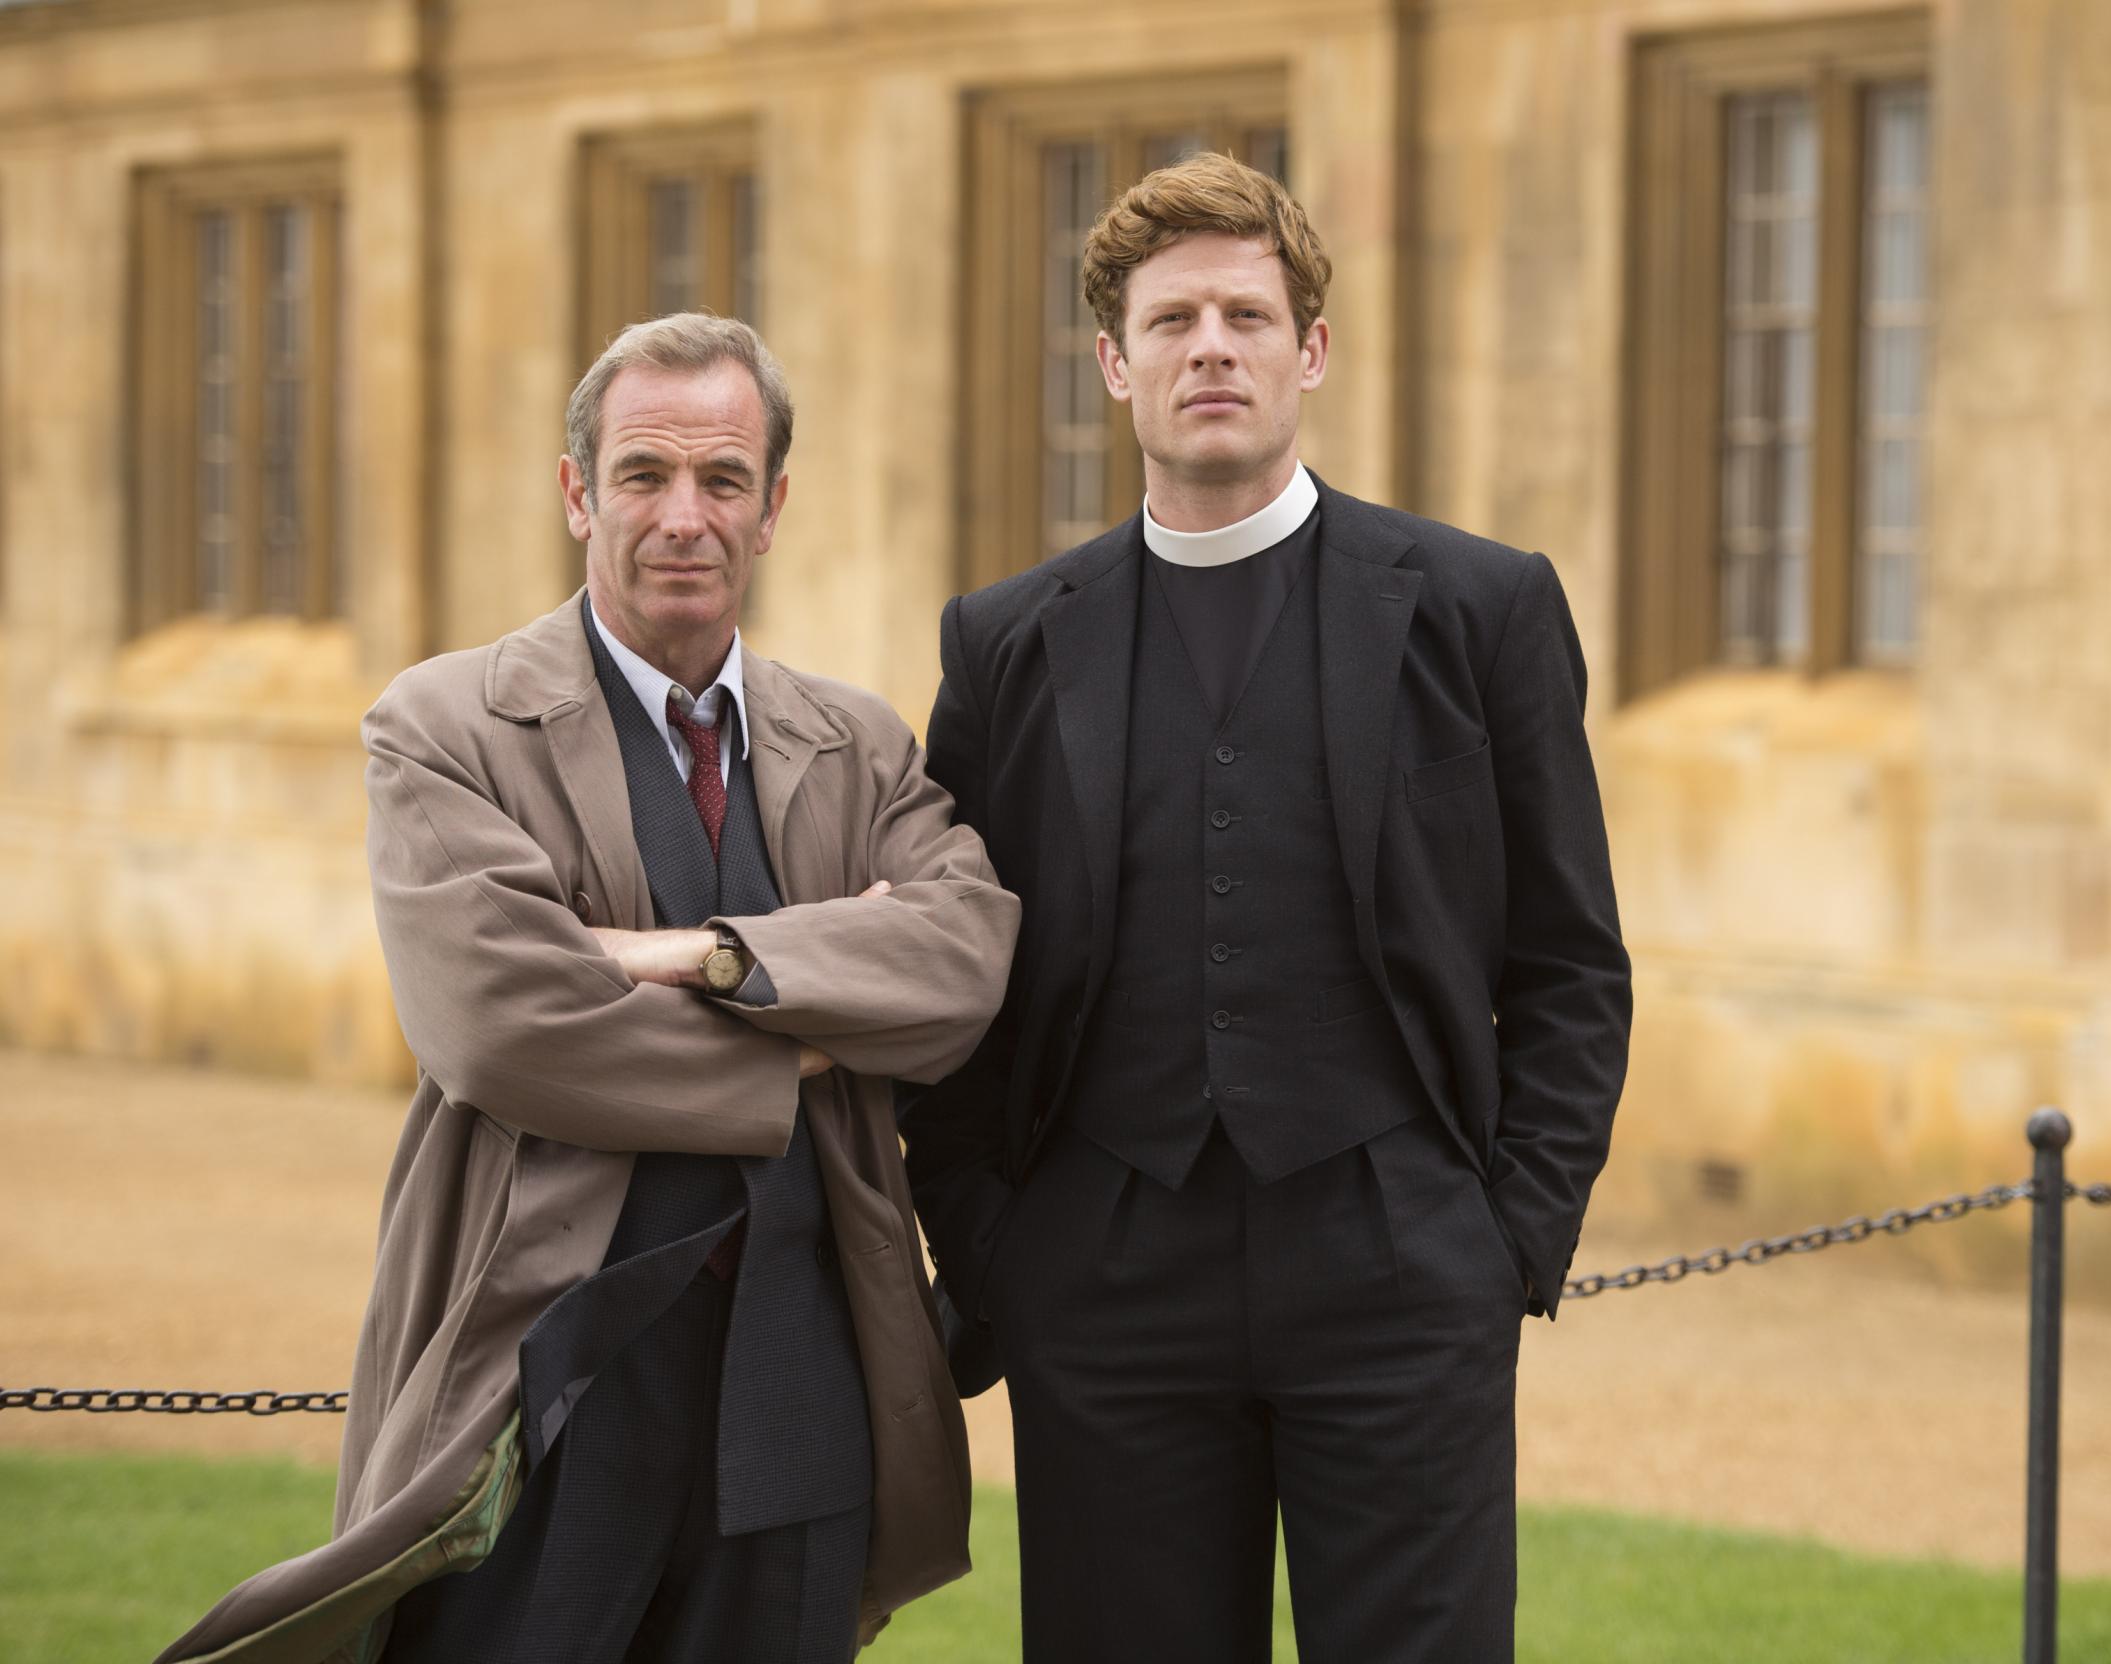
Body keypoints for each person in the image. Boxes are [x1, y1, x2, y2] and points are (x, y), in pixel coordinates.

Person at [158, 314, 1019, 1664]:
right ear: (578, 494)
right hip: (543, 1388)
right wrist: (820, 1033)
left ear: (773, 508)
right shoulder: (442, 728)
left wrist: (701, 957)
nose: (685, 516)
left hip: (805, 1395)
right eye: (643, 475)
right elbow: (505, 1030)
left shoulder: (856, 743)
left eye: (724, 480)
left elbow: (967, 960)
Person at [900, 153, 1633, 1662]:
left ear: (1311, 352)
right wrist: (995, 1250)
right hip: (1102, 1283)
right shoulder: (1007, 645)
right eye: (1171, 322)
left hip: (1400, 1269)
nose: (1211, 347)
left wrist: (1500, 1242)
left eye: (1247, 314)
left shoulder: (1481, 610)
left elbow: (1568, 961)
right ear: (1115, 364)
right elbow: (948, 965)